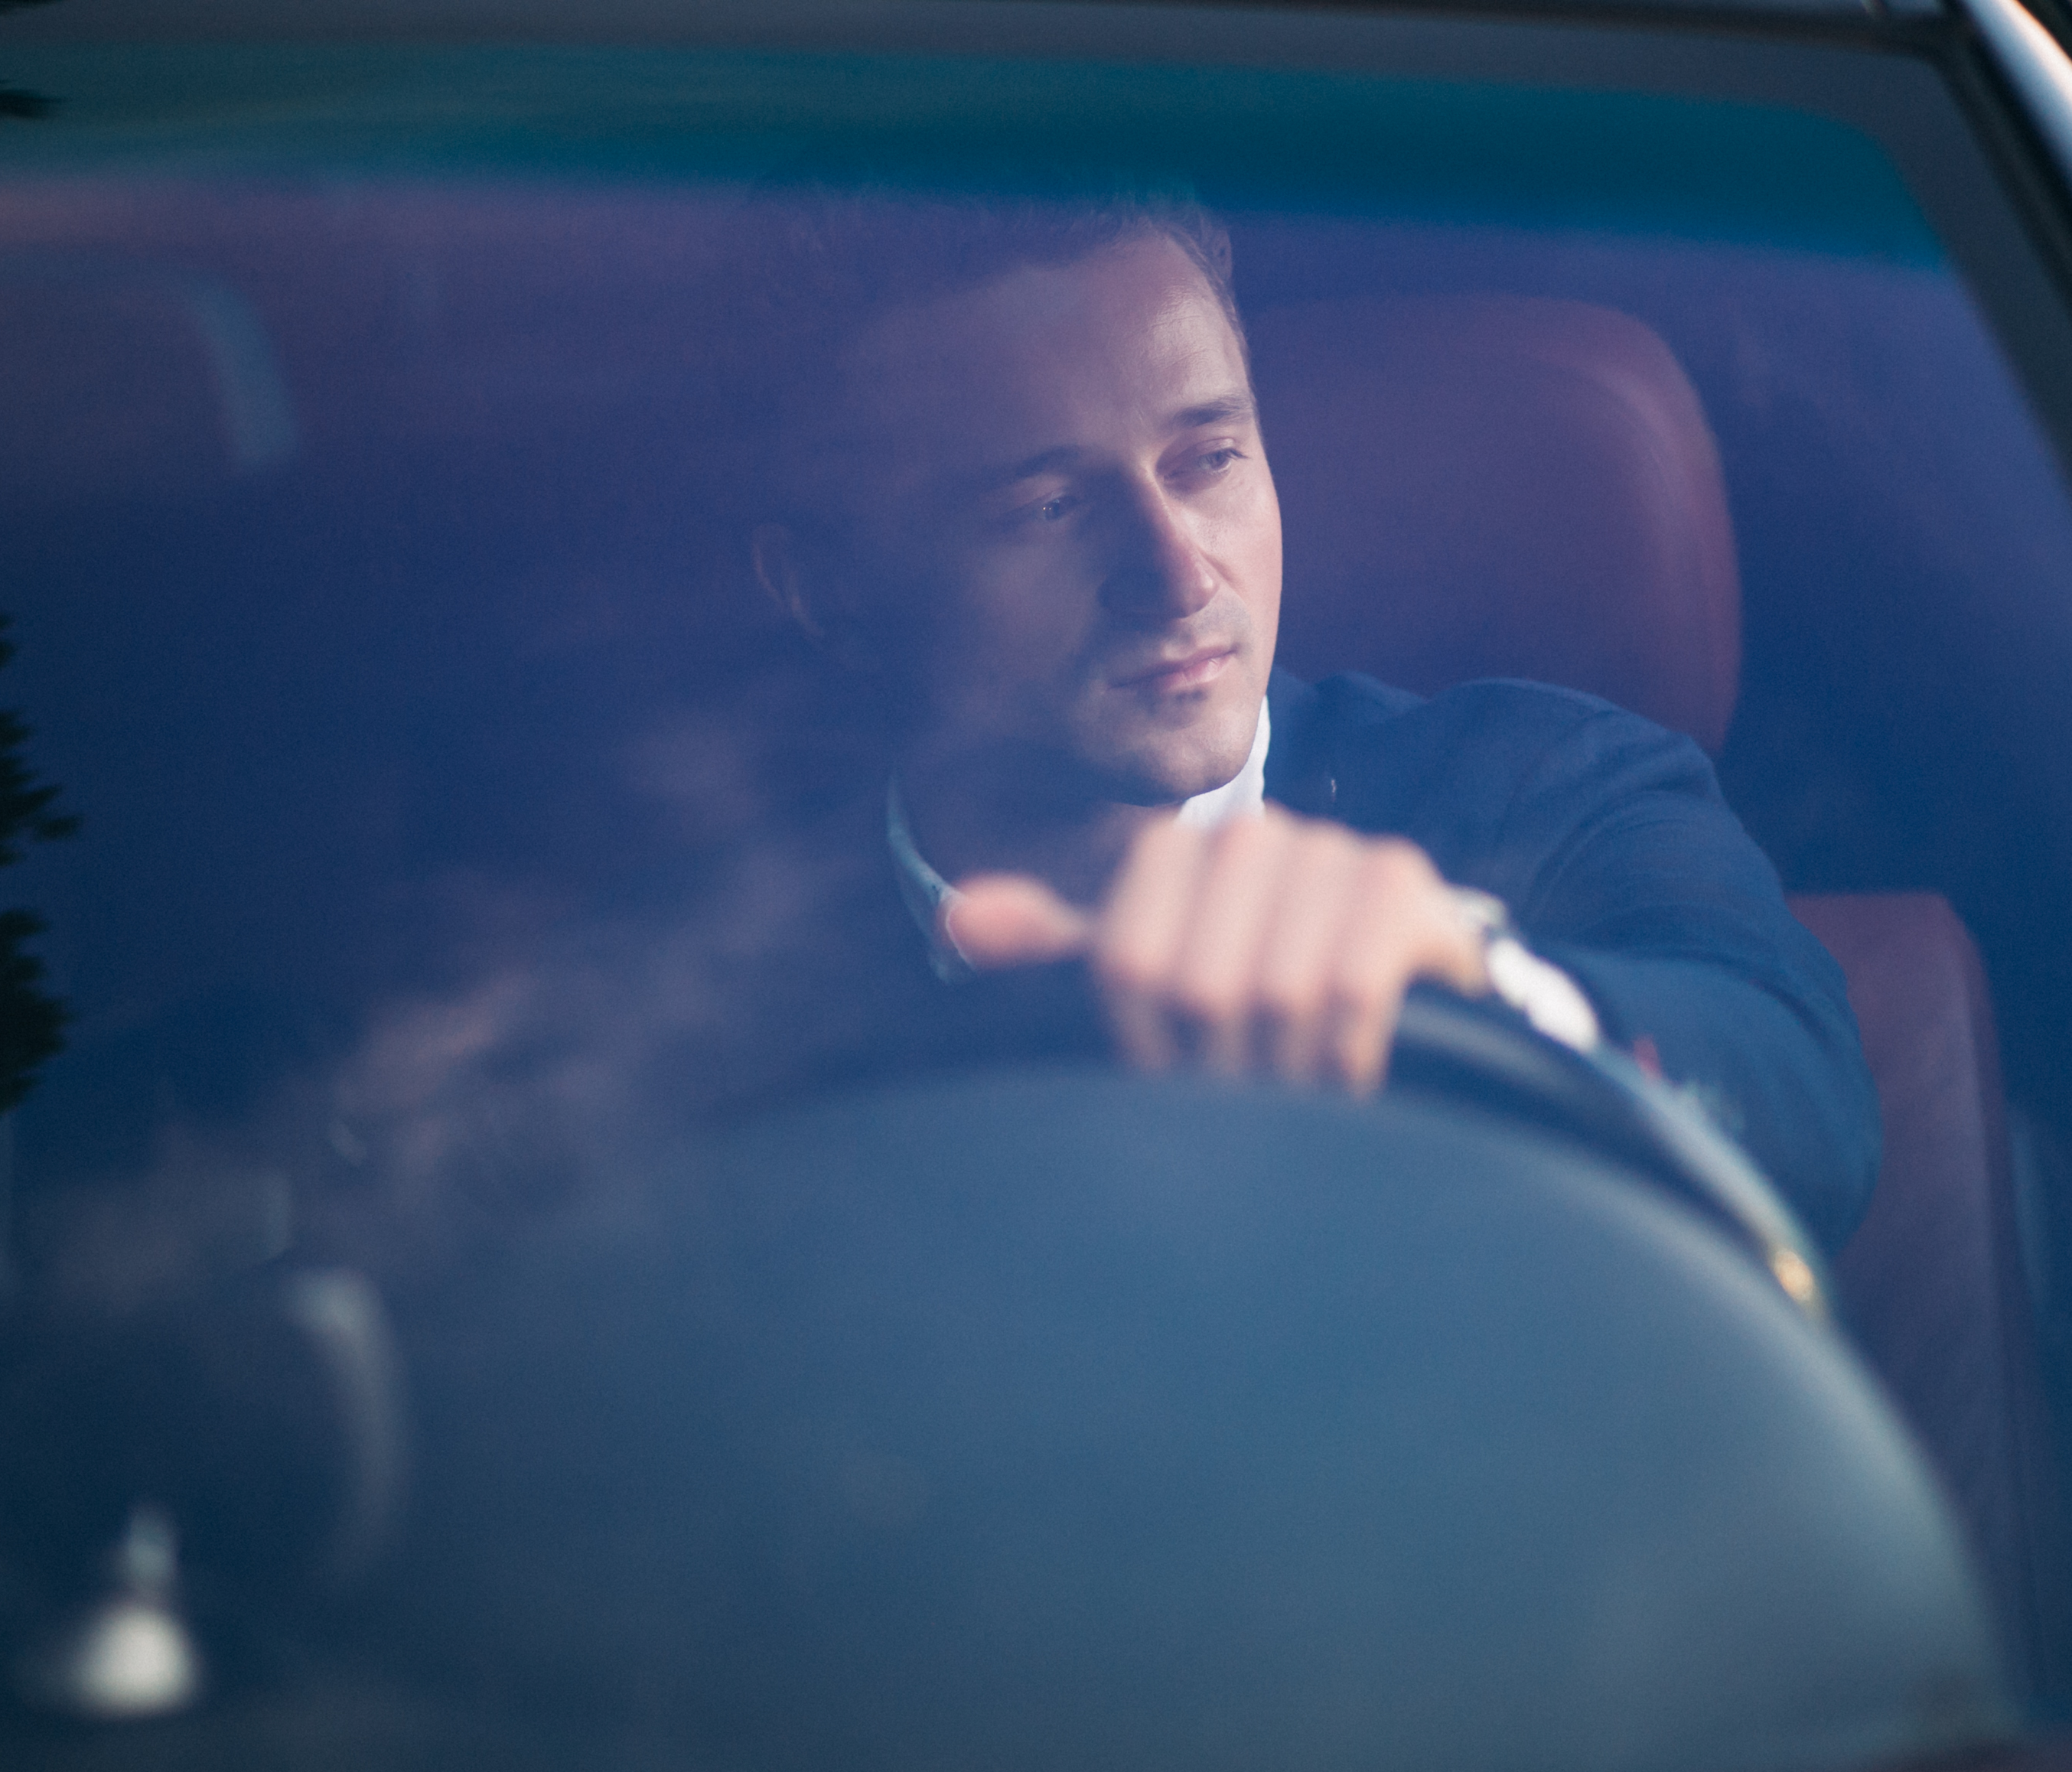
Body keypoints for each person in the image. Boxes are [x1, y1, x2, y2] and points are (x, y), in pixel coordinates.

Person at [751, 194, 1879, 1250]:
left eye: (1210, 460)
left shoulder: (1546, 784)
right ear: (833, 594)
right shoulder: (703, 962)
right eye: (1046, 507)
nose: (1180, 575)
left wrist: (1489, 1002)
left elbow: (1807, 1106)